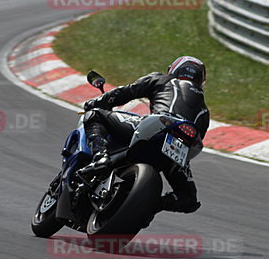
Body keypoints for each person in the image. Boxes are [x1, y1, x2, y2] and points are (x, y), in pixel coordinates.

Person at [82, 56, 209, 213]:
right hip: (176, 147)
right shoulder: (204, 110)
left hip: (155, 128)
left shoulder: (162, 79)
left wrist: (96, 102)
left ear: (174, 69)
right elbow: (198, 138)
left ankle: (100, 157)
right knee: (188, 198)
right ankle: (152, 205)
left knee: (95, 115)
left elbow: (127, 91)